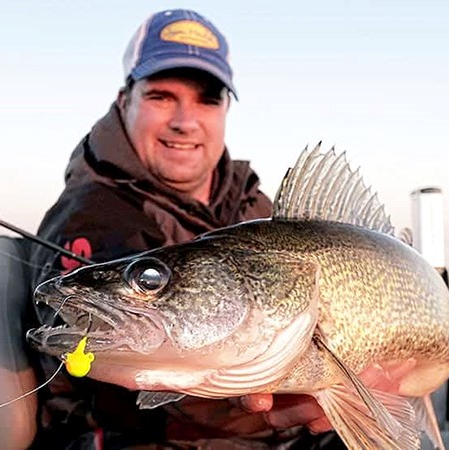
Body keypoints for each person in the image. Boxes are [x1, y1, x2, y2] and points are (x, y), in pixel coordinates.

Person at [29, 9, 341, 449]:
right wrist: (262, 406)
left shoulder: (254, 205)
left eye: (206, 99)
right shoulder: (93, 218)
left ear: (225, 109)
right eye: (161, 96)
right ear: (125, 101)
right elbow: (106, 376)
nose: (184, 120)